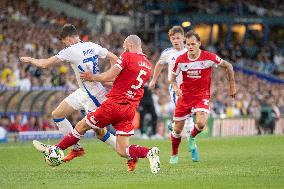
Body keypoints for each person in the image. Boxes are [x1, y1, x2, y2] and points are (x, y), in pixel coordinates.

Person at [35, 35, 161, 174]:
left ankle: (57, 149)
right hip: (129, 110)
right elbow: (122, 83)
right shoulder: (148, 65)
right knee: (122, 150)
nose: (123, 49)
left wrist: (92, 77)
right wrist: (100, 81)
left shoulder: (127, 56)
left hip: (113, 106)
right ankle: (149, 152)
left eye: (125, 46)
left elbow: (109, 75)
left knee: (81, 126)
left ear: (130, 45)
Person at [20, 24, 118, 162]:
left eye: (64, 42)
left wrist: (30, 60)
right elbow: (114, 58)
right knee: (57, 115)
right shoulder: (92, 45)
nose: (65, 45)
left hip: (94, 96)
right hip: (83, 91)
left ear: (69, 39)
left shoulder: (71, 50)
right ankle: (76, 149)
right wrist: (106, 77)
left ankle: (128, 153)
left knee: (100, 133)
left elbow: (45, 64)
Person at [169, 30, 236, 164]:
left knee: (200, 123)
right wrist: (176, 88)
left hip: (201, 96)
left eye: (193, 44)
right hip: (185, 97)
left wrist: (232, 86)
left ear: (199, 43)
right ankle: (174, 155)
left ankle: (192, 138)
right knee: (177, 129)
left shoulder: (208, 57)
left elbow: (228, 66)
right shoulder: (180, 60)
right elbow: (172, 79)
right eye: (187, 44)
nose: (190, 47)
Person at [148, 26, 194, 144]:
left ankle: (174, 125)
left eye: (178, 38)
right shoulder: (168, 53)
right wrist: (153, 80)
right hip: (175, 88)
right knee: (186, 114)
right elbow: (159, 64)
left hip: (190, 88)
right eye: (173, 38)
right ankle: (191, 143)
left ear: (184, 38)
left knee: (188, 115)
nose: (175, 41)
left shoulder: (190, 52)